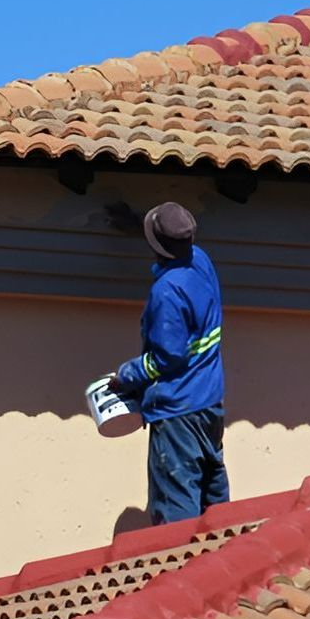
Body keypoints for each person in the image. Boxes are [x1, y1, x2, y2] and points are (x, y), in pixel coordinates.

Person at [110, 202, 229, 524]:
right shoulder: (200, 261)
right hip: (209, 403)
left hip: (178, 409)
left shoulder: (167, 291)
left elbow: (168, 357)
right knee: (212, 502)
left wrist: (127, 376)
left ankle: (185, 571)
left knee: (177, 512)